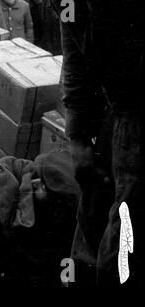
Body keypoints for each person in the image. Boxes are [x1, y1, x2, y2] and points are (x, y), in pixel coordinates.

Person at [59, 0, 144, 287]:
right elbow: (73, 52)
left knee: (122, 252)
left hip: (136, 112)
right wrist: (78, 135)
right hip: (116, 111)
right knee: (91, 217)